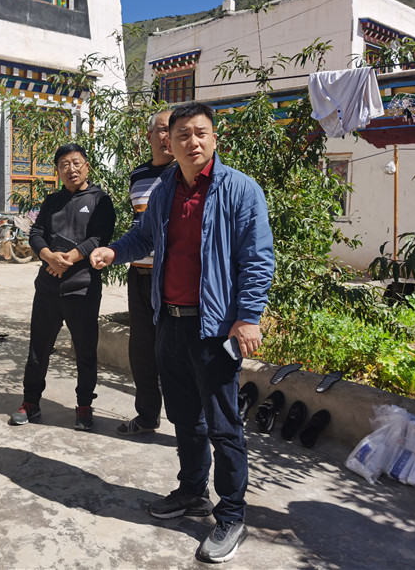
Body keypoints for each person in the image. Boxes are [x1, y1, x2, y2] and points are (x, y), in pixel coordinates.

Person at [90, 103, 274, 563]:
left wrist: (249, 316)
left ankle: (231, 515)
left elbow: (257, 257)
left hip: (214, 327)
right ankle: (192, 491)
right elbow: (144, 237)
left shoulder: (240, 190)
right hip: (169, 321)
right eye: (182, 135)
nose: (192, 141)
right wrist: (114, 252)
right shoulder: (165, 189)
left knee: (223, 425)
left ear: (214, 138)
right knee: (185, 419)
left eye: (200, 133)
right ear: (168, 143)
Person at [9, 143, 115, 431]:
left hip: (82, 289)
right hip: (47, 287)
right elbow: (36, 233)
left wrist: (68, 259)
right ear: (58, 170)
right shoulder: (52, 201)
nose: (71, 169)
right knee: (38, 349)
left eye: (76, 163)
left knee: (85, 351)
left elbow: (100, 237)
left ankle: (84, 406)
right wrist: (48, 256)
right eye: (64, 165)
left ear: (87, 166)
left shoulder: (100, 201)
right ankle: (30, 402)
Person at [117, 109, 174, 437]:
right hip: (139, 275)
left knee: (176, 352)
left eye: (174, 130)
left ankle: (190, 427)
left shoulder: (184, 173)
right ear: (149, 135)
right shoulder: (138, 175)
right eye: (163, 130)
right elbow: (140, 226)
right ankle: (147, 416)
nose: (169, 137)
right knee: (141, 351)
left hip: (172, 278)